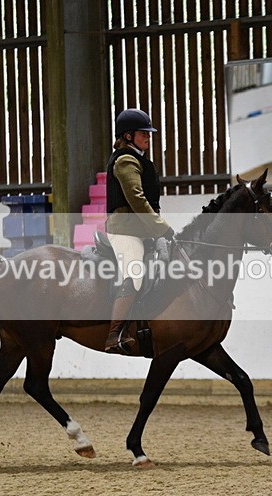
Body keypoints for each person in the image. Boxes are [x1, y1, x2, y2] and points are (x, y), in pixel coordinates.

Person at [104, 108, 174, 354]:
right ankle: (114, 334)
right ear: (128, 135)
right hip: (125, 231)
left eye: (149, 133)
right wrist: (161, 228)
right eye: (143, 133)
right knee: (135, 274)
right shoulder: (125, 160)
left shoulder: (138, 158)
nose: (148, 137)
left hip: (142, 230)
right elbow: (136, 199)